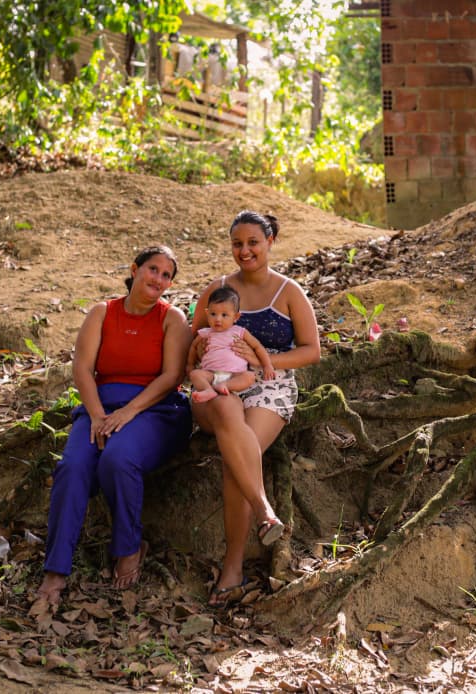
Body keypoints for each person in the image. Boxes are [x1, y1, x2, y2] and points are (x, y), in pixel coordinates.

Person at [33, 246, 192, 608]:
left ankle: (128, 547)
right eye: (153, 269)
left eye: (167, 275)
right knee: (73, 466)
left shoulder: (172, 318)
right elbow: (82, 370)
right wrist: (98, 415)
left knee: (117, 458)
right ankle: (56, 568)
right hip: (99, 407)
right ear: (135, 270)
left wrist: (128, 412)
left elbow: (172, 377)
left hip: (155, 409)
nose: (159, 279)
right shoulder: (102, 313)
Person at [191, 211, 321, 607]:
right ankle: (265, 512)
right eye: (237, 244)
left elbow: (312, 351)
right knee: (232, 427)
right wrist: (198, 375)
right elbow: (192, 346)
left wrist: (264, 361)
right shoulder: (217, 291)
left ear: (270, 242)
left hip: (270, 385)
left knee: (237, 459)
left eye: (253, 243)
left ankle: (232, 568)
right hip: (214, 388)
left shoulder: (288, 292)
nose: (244, 251)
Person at [187, 285, 275, 404]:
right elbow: (193, 346)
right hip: (211, 375)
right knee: (195, 374)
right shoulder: (206, 333)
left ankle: (225, 386)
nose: (218, 319)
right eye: (213, 314)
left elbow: (257, 346)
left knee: (249, 377)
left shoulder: (239, 332)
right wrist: (190, 364)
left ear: (236, 317)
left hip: (235, 375)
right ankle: (208, 390)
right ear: (207, 313)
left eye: (224, 315)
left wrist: (267, 365)